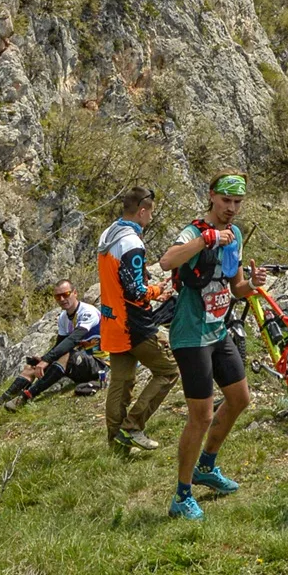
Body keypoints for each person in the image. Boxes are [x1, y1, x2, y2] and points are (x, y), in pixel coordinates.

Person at [159, 172, 267, 520]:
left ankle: (206, 466)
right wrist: (206, 239)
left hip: (218, 330)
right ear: (211, 197)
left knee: (240, 399)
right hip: (190, 336)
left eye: (237, 203)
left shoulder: (234, 235)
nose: (232, 209)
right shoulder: (195, 232)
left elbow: (235, 287)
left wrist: (252, 284)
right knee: (201, 415)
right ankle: (181, 494)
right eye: (226, 201)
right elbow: (167, 261)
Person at [97, 185, 179, 451]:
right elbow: (135, 291)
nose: (151, 219)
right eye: (150, 213)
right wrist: (158, 291)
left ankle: (116, 445)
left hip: (111, 321)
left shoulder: (108, 234)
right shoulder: (131, 242)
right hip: (135, 324)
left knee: (120, 383)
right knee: (168, 371)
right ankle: (133, 427)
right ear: (142, 211)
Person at [0, 280, 106, 412]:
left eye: (66, 294)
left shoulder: (88, 312)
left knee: (64, 355)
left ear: (75, 293)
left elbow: (72, 340)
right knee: (32, 365)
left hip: (100, 365)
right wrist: (42, 360)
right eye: (58, 296)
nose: (63, 299)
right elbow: (60, 344)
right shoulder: (63, 317)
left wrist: (47, 359)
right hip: (80, 363)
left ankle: (25, 397)